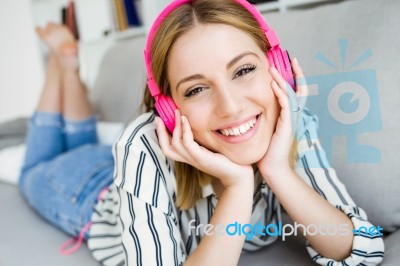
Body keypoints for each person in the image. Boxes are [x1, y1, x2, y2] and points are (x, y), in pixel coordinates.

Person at [110, 0, 384, 265]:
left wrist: (277, 170)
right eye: (196, 89)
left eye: (243, 70)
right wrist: (238, 186)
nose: (230, 107)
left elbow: (366, 250)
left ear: (278, 68)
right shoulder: (142, 148)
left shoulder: (289, 117)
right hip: (94, 202)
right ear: (169, 110)